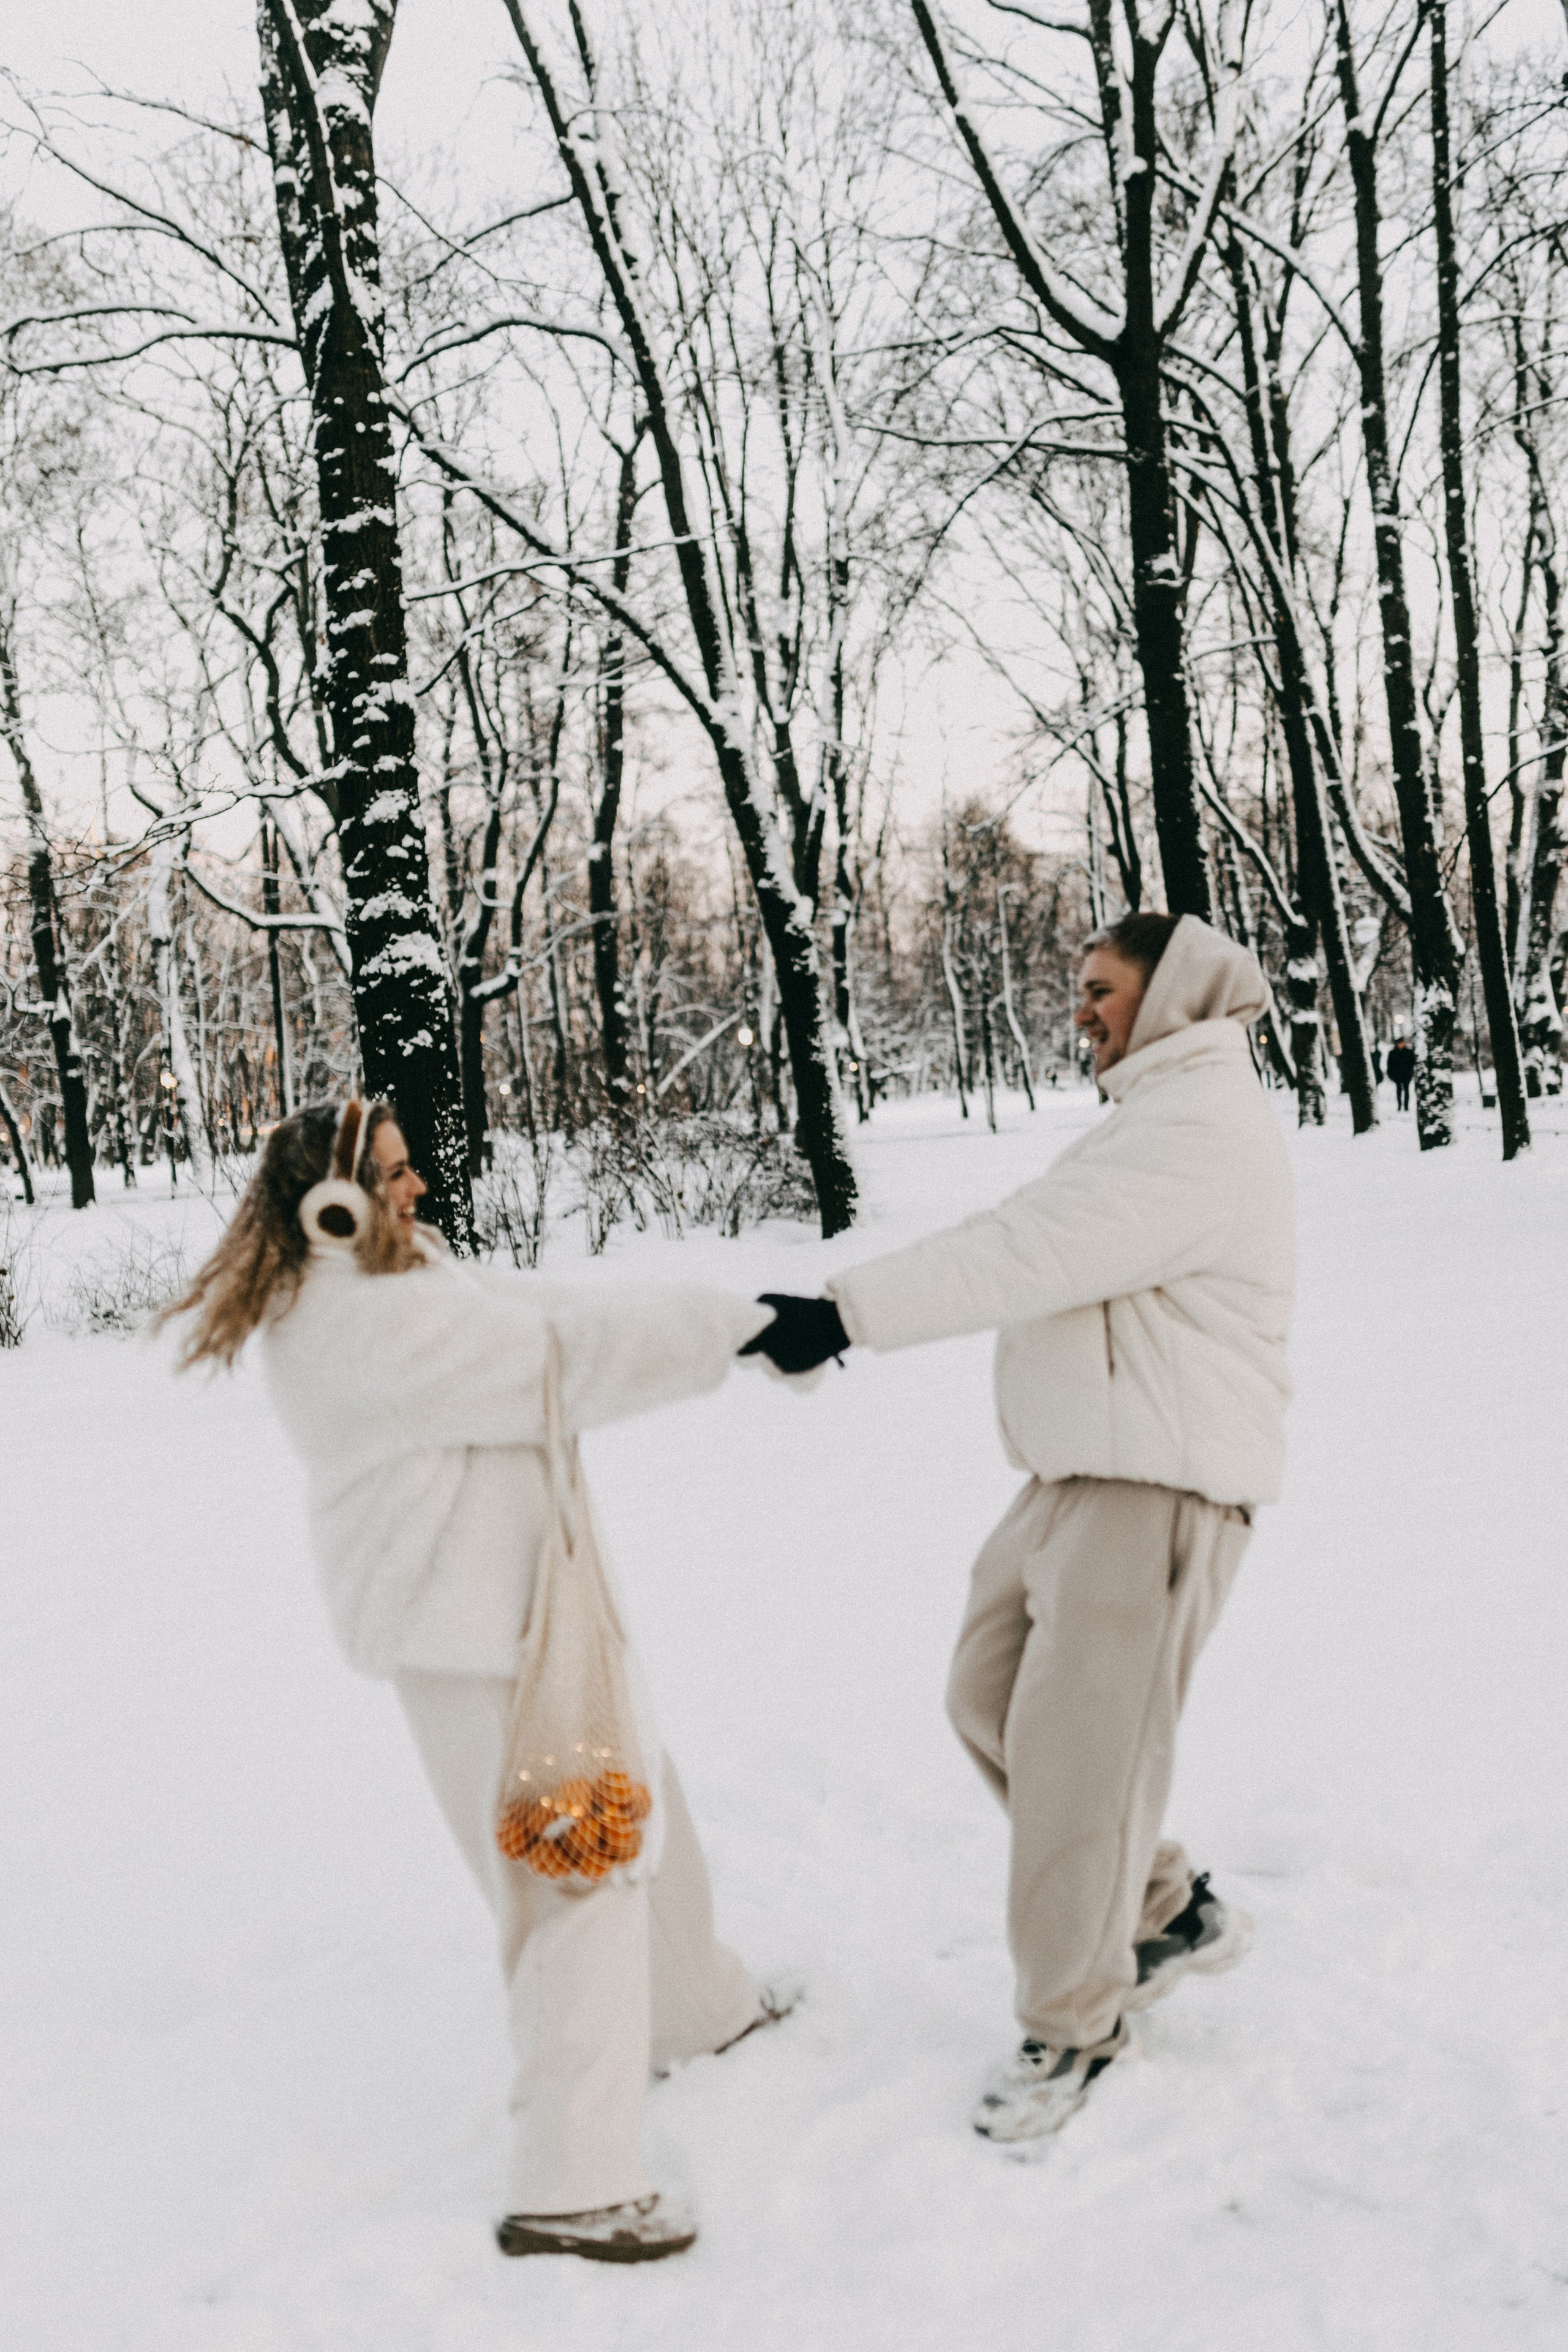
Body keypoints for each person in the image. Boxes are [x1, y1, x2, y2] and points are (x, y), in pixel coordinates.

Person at [165, 1098, 787, 2263]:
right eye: (389, 1176)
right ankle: (572, 2179)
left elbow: (540, 1307)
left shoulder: (401, 1284)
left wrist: (736, 1321)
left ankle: (699, 2009)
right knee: (573, 1881)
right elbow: (558, 1357)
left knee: (647, 1799)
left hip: (531, 1614)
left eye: (406, 1169)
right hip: (473, 1642)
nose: (415, 1191)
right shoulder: (357, 1324)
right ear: (328, 1207)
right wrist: (737, 1334)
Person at [744, 913, 1294, 2145]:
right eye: (1081, 990)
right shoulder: (1154, 1117)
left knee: (1077, 1764)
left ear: (1173, 992)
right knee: (988, 1701)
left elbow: (1025, 1252)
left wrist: (844, 1315)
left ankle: (1072, 2025)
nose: (1082, 1010)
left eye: (1102, 990)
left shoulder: (1197, 1126)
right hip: (1079, 1475)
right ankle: (1163, 1908)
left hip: (1155, 1482)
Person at [1387, 1035, 1415, 1111]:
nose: (1401, 1044)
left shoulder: (1409, 1052)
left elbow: (1412, 1063)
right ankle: (1400, 1106)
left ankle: (1406, 1107)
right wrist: (1391, 1074)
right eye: (1399, 1043)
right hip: (1397, 1075)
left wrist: (1410, 1071)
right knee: (1399, 1090)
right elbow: (1390, 1064)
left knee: (1406, 1090)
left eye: (1402, 1043)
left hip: (1406, 1075)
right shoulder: (1393, 1053)